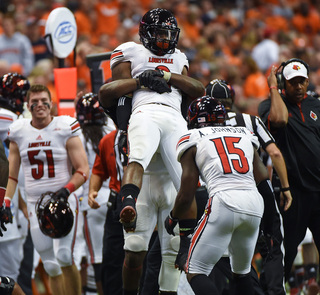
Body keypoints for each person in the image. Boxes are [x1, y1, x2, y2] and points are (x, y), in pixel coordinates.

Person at [98, 8, 205, 235]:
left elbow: (197, 89)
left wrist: (165, 76)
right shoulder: (130, 51)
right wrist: (140, 82)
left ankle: (188, 239)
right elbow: (113, 92)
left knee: (185, 179)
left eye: (169, 34)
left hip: (175, 116)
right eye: (160, 33)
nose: (165, 39)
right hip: (143, 111)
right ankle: (128, 203)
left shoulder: (179, 58)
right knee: (137, 156)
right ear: (146, 33)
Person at [167, 96, 272, 295]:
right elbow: (263, 177)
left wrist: (173, 217)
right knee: (241, 272)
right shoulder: (244, 133)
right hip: (254, 203)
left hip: (223, 201)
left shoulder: (193, 137)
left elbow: (187, 192)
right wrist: (269, 220)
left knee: (194, 269)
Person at [206, 79, 292, 295]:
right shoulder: (249, 121)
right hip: (258, 189)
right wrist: (285, 187)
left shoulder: (201, 124)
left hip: (220, 193)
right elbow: (275, 153)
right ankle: (274, 291)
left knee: (229, 253)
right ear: (232, 101)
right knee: (271, 247)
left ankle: (253, 290)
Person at [5, 84, 89, 295]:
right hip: (35, 204)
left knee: (64, 256)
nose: (40, 105)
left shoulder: (65, 126)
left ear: (51, 104)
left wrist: (65, 191)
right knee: (50, 265)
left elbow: (82, 170)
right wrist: (5, 202)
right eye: (35, 101)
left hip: (63, 200)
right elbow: (12, 175)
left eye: (44, 101)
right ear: (28, 105)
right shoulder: (19, 131)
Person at [258, 58, 320, 294]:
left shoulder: (316, 106)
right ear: (284, 82)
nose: (298, 86)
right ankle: (271, 291)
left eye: (302, 81)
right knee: (286, 251)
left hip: (318, 191)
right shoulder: (269, 105)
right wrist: (273, 87)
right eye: (292, 82)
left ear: (307, 81)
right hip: (292, 193)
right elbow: (280, 120)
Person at [75, 92, 116, 295]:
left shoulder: (77, 135)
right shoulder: (112, 130)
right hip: (113, 195)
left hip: (89, 199)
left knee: (95, 256)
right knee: (119, 251)